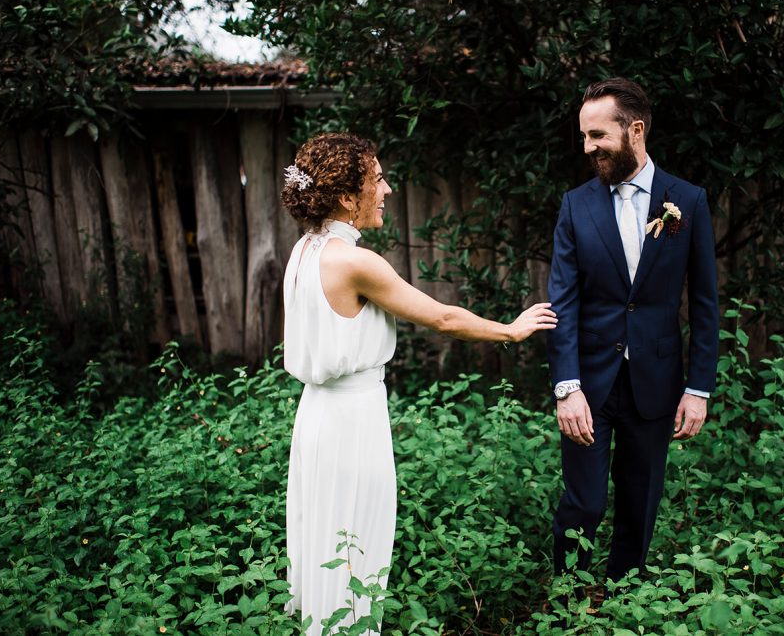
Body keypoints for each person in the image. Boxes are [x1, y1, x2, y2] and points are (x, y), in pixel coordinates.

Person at [280, 132, 556, 634]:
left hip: (317, 418)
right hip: (351, 425)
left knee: (326, 536)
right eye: (377, 179)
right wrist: (511, 332)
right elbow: (444, 318)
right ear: (347, 196)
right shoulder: (355, 261)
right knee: (355, 544)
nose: (386, 190)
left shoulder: (303, 251)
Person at [546, 78, 719, 592]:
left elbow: (705, 302)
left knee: (641, 497)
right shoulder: (575, 205)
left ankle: (625, 596)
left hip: (656, 378)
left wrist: (698, 388)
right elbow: (563, 303)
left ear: (635, 130)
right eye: (583, 136)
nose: (587, 147)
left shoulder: (687, 201)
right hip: (590, 385)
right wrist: (567, 386)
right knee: (585, 501)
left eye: (597, 135)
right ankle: (570, 599)